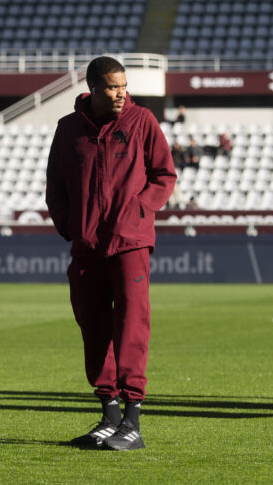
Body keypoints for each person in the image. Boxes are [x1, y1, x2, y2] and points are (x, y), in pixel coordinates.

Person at [45, 56, 177, 451]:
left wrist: (137, 212)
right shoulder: (69, 130)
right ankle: (109, 414)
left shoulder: (142, 122)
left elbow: (164, 175)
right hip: (86, 247)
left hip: (130, 244)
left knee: (132, 326)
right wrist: (70, 226)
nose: (121, 93)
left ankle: (133, 421)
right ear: (93, 88)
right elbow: (55, 185)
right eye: (112, 87)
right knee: (93, 327)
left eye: (124, 86)